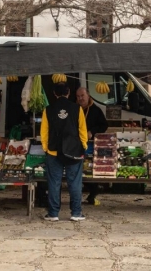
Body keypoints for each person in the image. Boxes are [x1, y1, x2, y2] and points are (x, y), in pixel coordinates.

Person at [41, 82, 88, 222]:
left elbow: (44, 131)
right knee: (74, 182)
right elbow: (82, 130)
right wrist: (83, 146)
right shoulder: (77, 108)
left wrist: (45, 148)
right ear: (68, 93)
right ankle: (76, 213)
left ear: (54, 94)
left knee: (54, 183)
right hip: (73, 151)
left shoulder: (48, 109)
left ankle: (53, 214)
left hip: (53, 151)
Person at [76, 87, 108, 206]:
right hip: (77, 145)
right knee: (80, 170)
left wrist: (92, 131)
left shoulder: (96, 110)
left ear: (88, 95)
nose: (80, 98)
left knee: (90, 170)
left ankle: (93, 193)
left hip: (91, 145)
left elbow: (104, 125)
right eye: (78, 96)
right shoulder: (75, 109)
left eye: (82, 96)